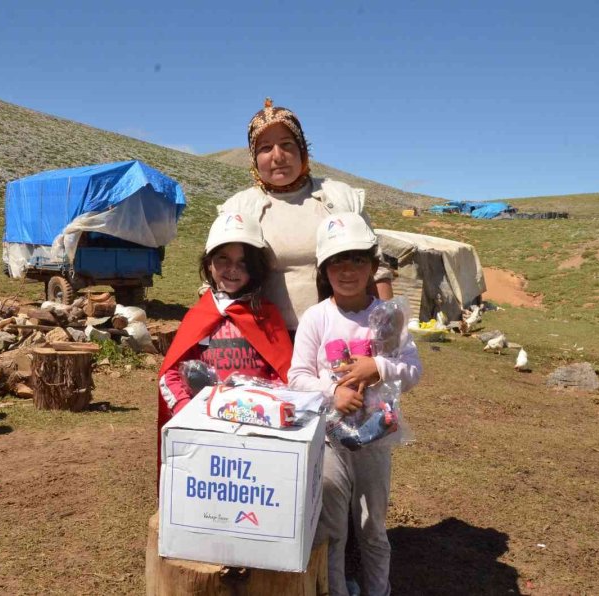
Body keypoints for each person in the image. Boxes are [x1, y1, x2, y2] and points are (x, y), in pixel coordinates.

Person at [288, 212, 421, 596]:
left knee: (372, 526)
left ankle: (378, 590)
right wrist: (334, 393)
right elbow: (296, 377)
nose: (347, 271)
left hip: (376, 440)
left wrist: (377, 367)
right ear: (324, 270)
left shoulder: (387, 318)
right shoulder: (316, 318)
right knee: (331, 528)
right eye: (337, 262)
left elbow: (413, 370)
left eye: (357, 260)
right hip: (329, 440)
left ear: (373, 267)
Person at [219, 98, 393, 334]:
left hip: (341, 334)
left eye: (287, 144)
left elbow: (377, 269)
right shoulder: (239, 209)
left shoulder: (341, 198)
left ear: (302, 149)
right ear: (253, 157)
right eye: (265, 148)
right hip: (265, 338)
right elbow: (216, 280)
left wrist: (388, 332)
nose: (278, 156)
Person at [156, 212, 293, 480]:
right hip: (203, 427)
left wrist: (262, 412)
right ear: (209, 264)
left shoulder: (266, 315)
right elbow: (170, 373)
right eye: (223, 259)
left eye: (243, 262)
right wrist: (187, 411)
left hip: (257, 429)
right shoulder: (198, 315)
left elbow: (284, 374)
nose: (233, 269)